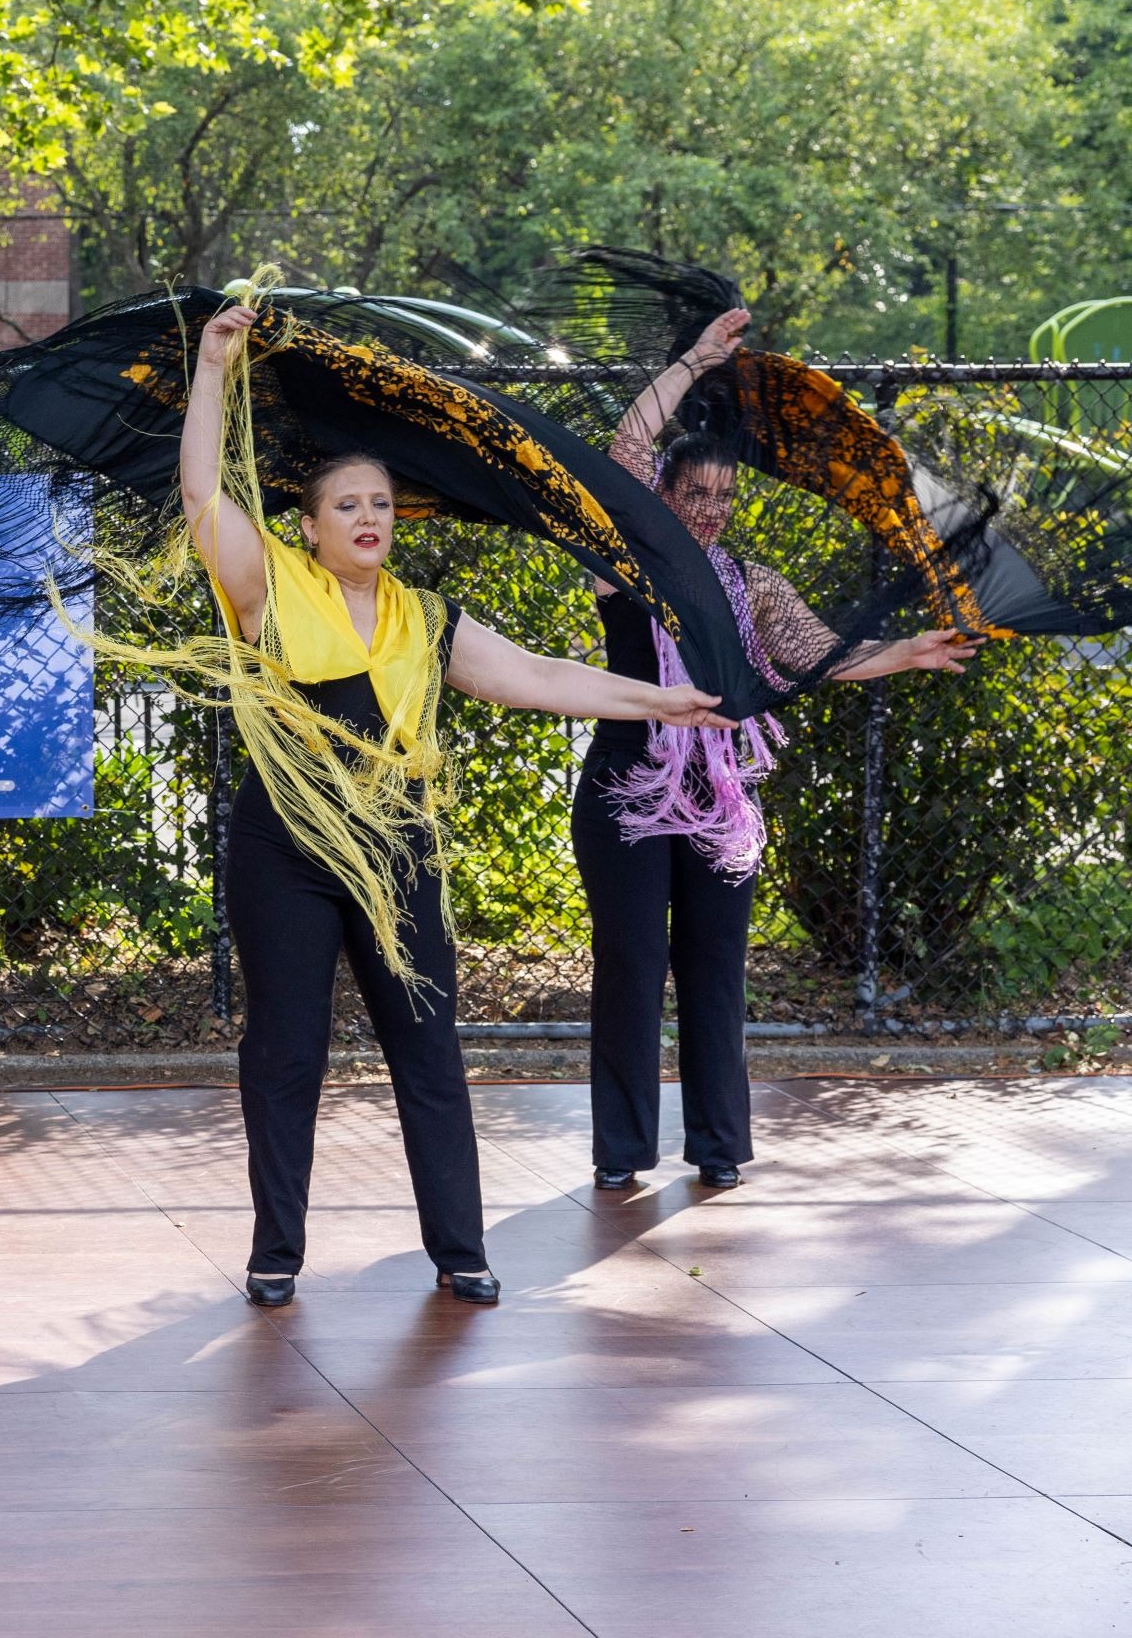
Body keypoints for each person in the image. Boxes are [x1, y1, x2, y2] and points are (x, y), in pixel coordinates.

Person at [175, 301, 730, 1309]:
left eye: (381, 503)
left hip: (398, 849)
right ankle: (275, 1253)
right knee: (286, 1052)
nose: (368, 517)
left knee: (428, 1048)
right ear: (308, 526)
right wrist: (214, 366)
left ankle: (461, 1249)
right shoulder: (268, 589)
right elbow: (203, 490)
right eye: (347, 504)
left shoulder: (426, 618)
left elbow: (541, 677)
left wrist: (663, 700)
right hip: (286, 850)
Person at [581, 307, 977, 1193]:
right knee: (632, 970)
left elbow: (823, 655)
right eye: (694, 494)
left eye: (724, 497)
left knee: (716, 973)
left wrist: (909, 651)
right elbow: (628, 445)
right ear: (661, 495)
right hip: (627, 791)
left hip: (719, 800)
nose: (711, 511)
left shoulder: (753, 586)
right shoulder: (625, 565)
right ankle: (621, 1151)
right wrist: (694, 362)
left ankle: (718, 1146)